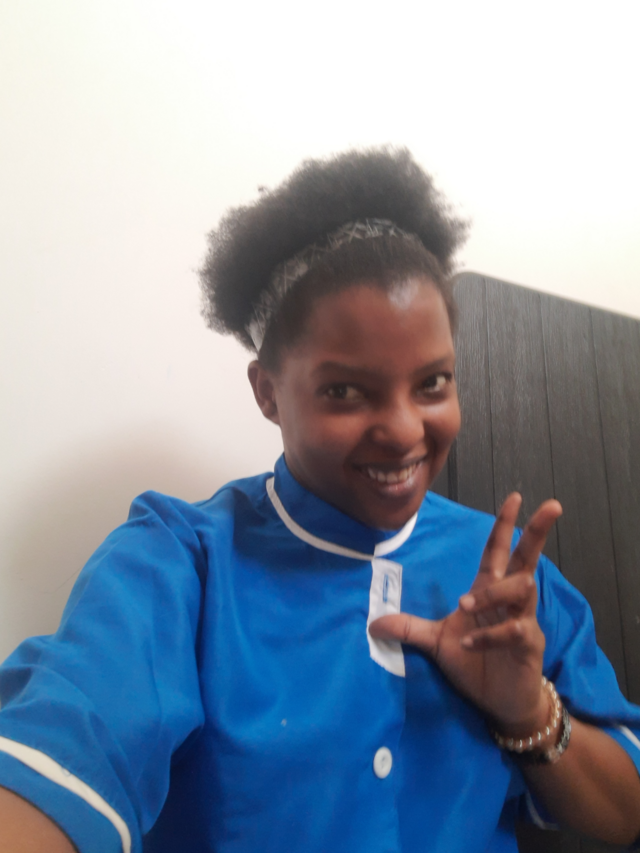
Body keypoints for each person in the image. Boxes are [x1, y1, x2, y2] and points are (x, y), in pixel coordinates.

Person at [1, 148, 639, 853]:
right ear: (268, 392)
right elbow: (67, 743)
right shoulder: (180, 562)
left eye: (433, 382)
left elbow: (625, 813)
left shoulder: (512, 580)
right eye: (345, 391)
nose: (405, 430)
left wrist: (527, 711)